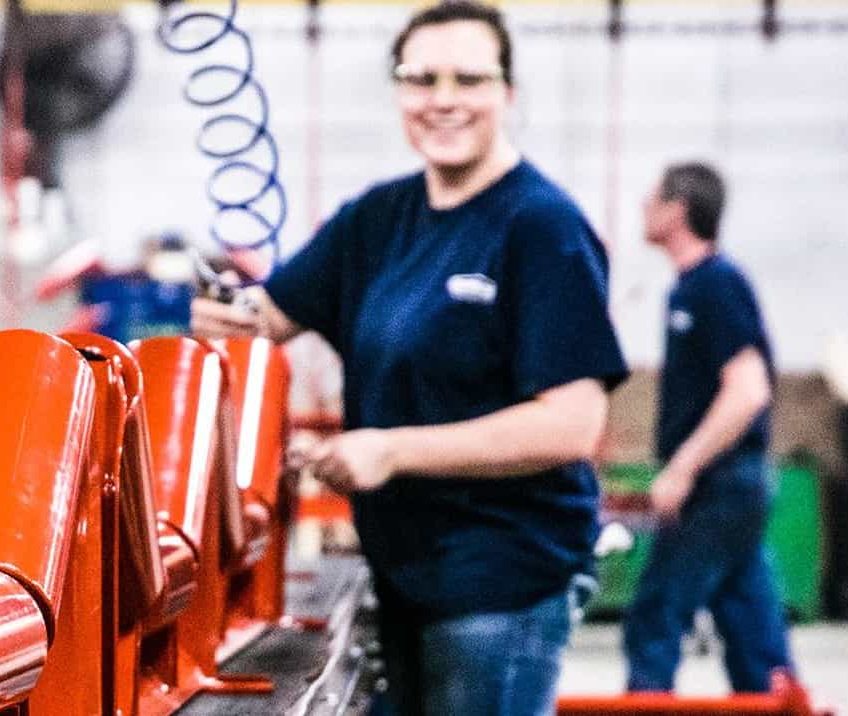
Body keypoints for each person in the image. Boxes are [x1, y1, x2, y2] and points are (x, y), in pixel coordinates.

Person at [190, 2, 628, 713]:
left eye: (469, 79)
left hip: (500, 586)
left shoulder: (541, 228)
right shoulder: (378, 219)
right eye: (422, 79)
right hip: (402, 574)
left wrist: (391, 451)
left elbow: (572, 424)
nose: (444, 101)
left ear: (507, 94)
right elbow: (266, 319)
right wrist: (223, 316)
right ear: (399, 93)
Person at [619, 162, 796, 695]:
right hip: (729, 485)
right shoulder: (691, 289)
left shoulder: (714, 285)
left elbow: (748, 389)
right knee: (752, 631)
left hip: (718, 485)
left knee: (654, 618)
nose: (642, 207)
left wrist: (682, 467)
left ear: (677, 209)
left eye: (651, 197)